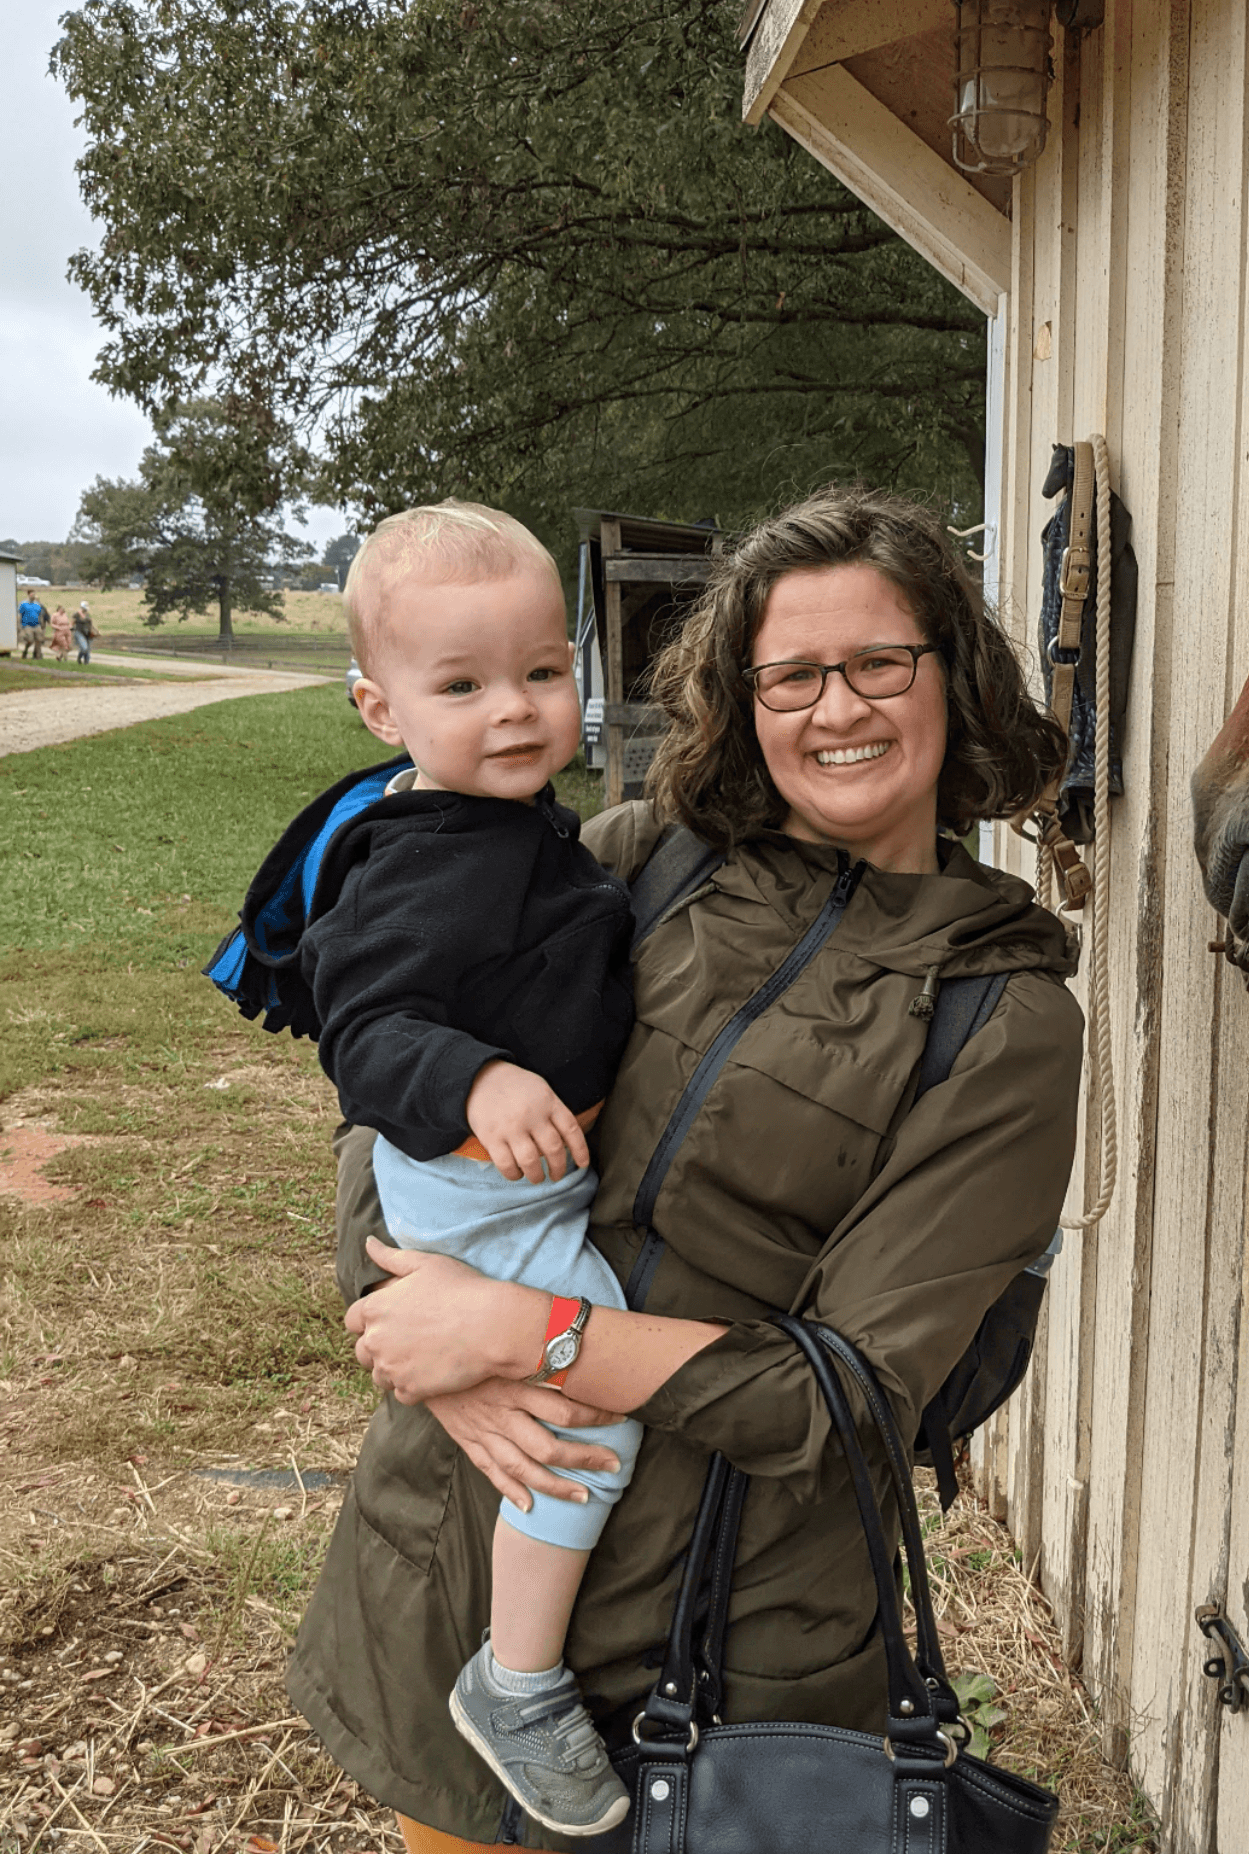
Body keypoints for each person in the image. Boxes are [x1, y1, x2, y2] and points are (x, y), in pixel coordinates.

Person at [286, 486, 1083, 1854]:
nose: (836, 708)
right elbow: (391, 1086)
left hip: (726, 1634)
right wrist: (433, 1344)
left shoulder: (997, 1016)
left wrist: (528, 1335)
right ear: (743, 692)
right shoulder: (637, 862)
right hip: (466, 1543)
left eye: (880, 662)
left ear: (953, 673)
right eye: (791, 673)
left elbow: (846, 1398)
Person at [242, 502, 645, 1835]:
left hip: (497, 1173)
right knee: (597, 1402)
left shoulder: (500, 820)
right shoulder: (427, 854)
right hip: (482, 1187)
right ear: (377, 705)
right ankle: (517, 1680)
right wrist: (480, 1076)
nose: (517, 710)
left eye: (542, 670)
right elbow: (368, 1036)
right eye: (462, 685)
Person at [17, 592, 44, 659]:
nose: (33, 596)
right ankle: (25, 651)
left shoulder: (37, 605)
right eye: (31, 595)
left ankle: (37, 656)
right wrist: (18, 625)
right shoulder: (23, 604)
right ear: (28, 595)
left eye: (34, 595)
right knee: (30, 640)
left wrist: (42, 624)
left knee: (39, 640)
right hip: (27, 625)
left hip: (37, 625)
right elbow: (19, 615)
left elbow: (40, 615)